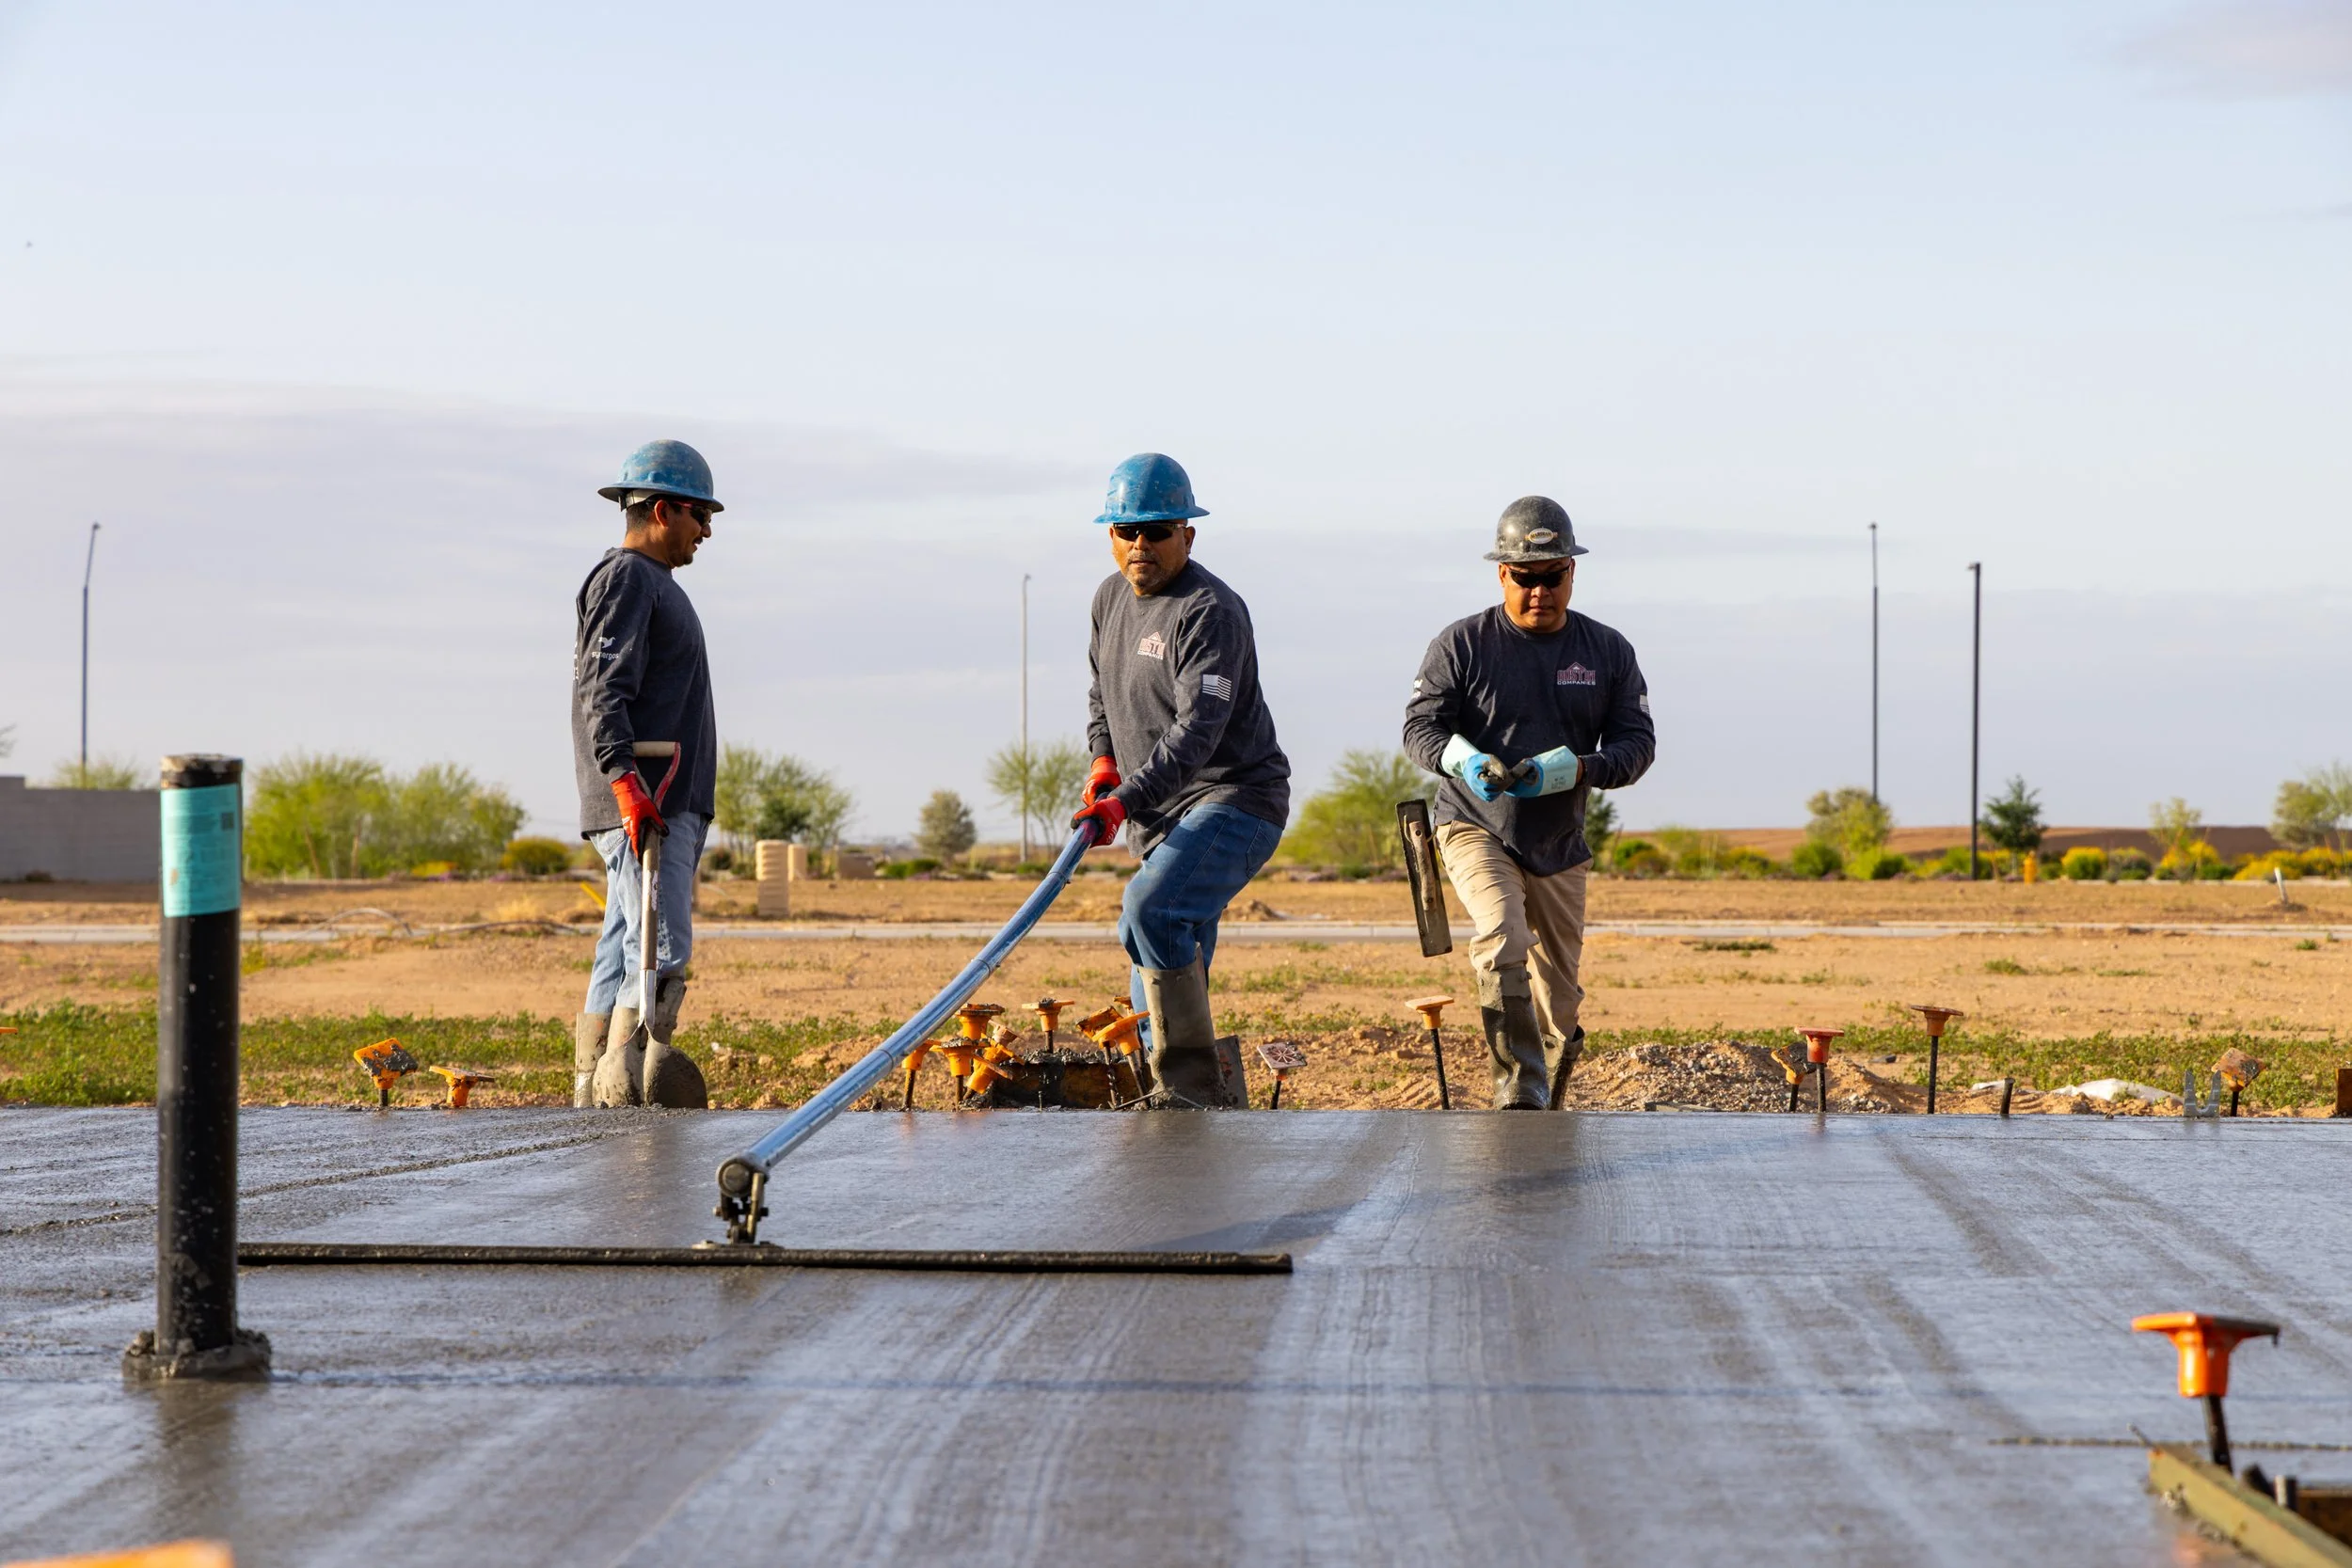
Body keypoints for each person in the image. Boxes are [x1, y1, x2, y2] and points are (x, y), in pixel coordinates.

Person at [1402, 497, 1655, 1108]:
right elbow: (1420, 729)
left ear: (1572, 572)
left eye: (1552, 576)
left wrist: (1579, 769)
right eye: (1525, 577)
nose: (1539, 590)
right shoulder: (1461, 644)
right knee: (1500, 935)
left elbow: (1638, 744)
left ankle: (1549, 1095)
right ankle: (1518, 1092)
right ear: (1502, 574)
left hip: (1559, 844)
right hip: (1473, 824)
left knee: (1559, 1003)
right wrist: (1464, 760)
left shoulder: (1607, 652)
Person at [1070, 453, 1290, 1108]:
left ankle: (1185, 1084)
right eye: (1127, 531)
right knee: (1158, 937)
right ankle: (1177, 1095)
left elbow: (1199, 732)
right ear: (1110, 537)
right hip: (1161, 815)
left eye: (1158, 529)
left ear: (1187, 535)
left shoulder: (1209, 610)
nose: (1142, 544)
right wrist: (1103, 761)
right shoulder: (1109, 600)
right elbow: (1098, 695)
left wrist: (1123, 801)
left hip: (1235, 800)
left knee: (1150, 909)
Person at [571, 439, 723, 1109]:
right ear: (662, 509)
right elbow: (603, 687)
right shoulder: (628, 578)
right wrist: (626, 782)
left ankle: (592, 1086)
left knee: (623, 941)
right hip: (649, 802)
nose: (707, 530)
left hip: (657, 800)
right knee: (660, 944)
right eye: (699, 515)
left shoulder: (657, 585)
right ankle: (634, 1081)